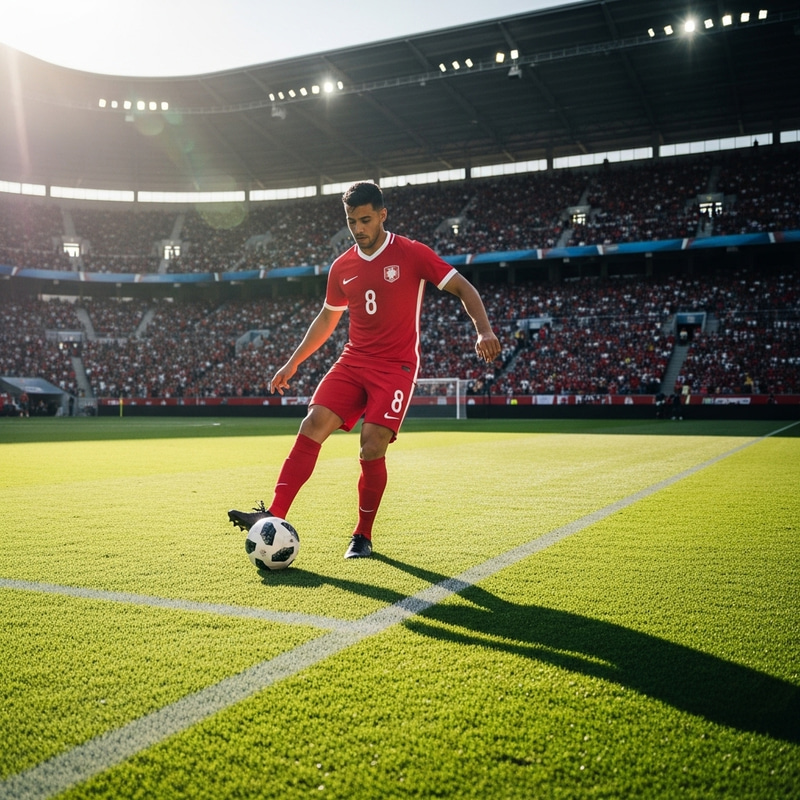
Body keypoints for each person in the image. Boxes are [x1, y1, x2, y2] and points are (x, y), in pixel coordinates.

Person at [228, 180, 501, 558]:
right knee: (312, 424)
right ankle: (273, 514)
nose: (358, 228)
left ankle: (362, 535)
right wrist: (293, 362)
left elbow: (464, 288)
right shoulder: (342, 267)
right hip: (353, 360)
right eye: (352, 220)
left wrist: (483, 330)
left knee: (371, 446)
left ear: (382, 215)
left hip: (395, 366)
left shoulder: (412, 253)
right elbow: (327, 319)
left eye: (365, 219)